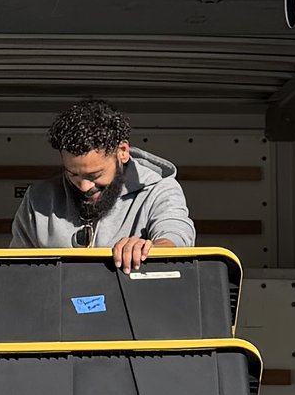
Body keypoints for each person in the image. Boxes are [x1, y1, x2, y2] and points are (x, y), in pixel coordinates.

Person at [10, 97, 195, 271]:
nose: (84, 187)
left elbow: (176, 235)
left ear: (122, 152)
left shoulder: (160, 190)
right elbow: (16, 269)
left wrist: (152, 249)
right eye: (73, 173)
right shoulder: (38, 199)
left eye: (95, 175)